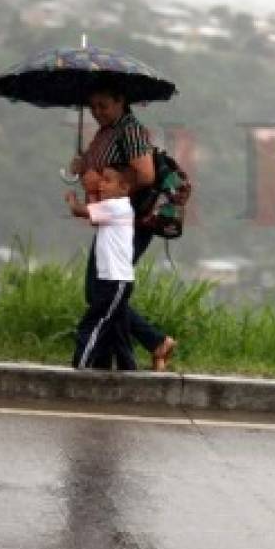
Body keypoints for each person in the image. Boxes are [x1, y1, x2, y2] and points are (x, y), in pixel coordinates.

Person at [69, 77, 177, 370]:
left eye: (103, 105)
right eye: (92, 107)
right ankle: (121, 359)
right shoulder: (106, 132)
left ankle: (154, 341)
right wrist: (83, 167)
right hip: (112, 219)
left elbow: (145, 174)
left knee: (101, 290)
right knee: (102, 291)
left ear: (120, 101)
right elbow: (99, 173)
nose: (97, 112)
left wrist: (113, 193)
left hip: (129, 221)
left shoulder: (130, 130)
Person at [65, 166, 137, 370]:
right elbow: (95, 219)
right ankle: (127, 367)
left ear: (124, 188)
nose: (101, 184)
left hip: (114, 281)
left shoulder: (117, 207)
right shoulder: (116, 208)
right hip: (113, 279)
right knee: (117, 327)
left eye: (107, 181)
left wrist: (72, 198)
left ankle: (81, 365)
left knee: (92, 324)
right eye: (101, 180)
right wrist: (94, 193)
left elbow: (79, 211)